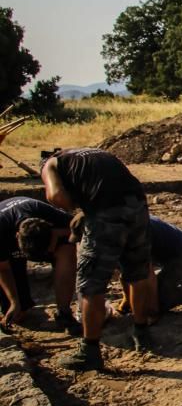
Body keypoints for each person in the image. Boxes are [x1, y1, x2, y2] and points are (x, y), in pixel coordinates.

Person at [40, 147, 158, 370]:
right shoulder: (94, 153)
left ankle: (90, 350)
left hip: (104, 211)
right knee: (137, 271)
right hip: (137, 205)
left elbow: (56, 196)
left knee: (90, 283)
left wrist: (77, 206)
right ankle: (142, 332)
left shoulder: (51, 164)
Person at [0, 197, 79, 334]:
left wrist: (58, 233)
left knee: (67, 249)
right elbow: (3, 268)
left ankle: (64, 312)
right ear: (17, 236)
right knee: (18, 314)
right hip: (9, 247)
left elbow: (82, 225)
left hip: (47, 234)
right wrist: (14, 301)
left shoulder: (45, 212)